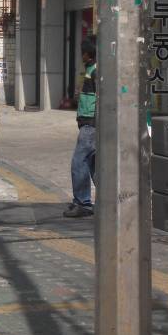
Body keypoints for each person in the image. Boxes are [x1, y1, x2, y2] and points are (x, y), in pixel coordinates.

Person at [64, 38, 97, 218]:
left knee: (79, 162)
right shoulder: (90, 70)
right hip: (88, 123)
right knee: (94, 165)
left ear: (89, 54)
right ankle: (112, 199)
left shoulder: (96, 71)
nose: (81, 55)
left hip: (91, 125)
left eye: (83, 52)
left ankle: (83, 202)